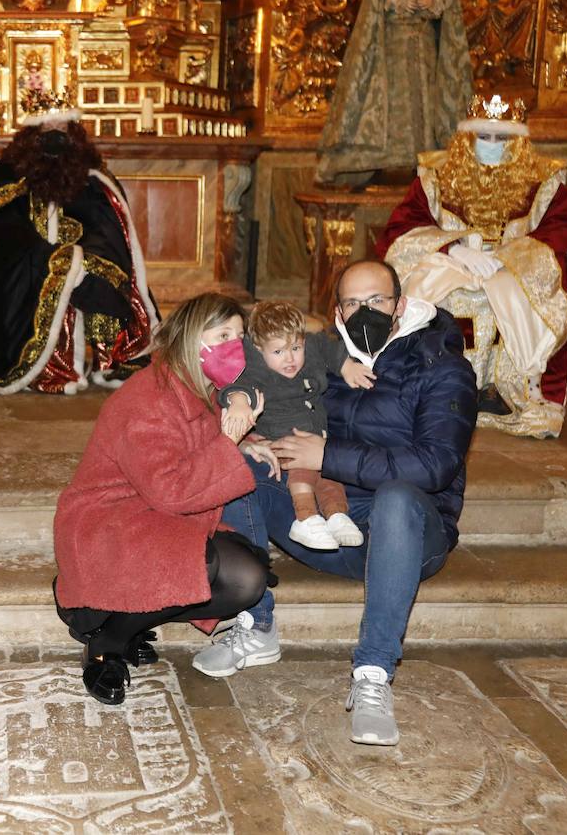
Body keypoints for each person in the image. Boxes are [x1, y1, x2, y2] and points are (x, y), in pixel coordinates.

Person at [211, 261, 476, 746]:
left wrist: (328, 454)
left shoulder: (443, 367)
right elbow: (251, 375)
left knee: (396, 496)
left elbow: (436, 465)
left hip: (406, 532)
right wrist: (248, 430)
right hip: (325, 526)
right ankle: (256, 621)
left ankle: (373, 674)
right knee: (233, 463)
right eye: (352, 303)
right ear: (337, 311)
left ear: (398, 304)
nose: (364, 312)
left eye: (376, 300)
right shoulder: (314, 358)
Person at [53, 293, 273, 705]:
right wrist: (228, 441)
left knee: (248, 576)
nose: (233, 345)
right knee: (209, 566)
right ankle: (105, 640)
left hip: (151, 514)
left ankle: (126, 621)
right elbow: (171, 490)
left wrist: (242, 444)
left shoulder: (196, 384)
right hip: (107, 523)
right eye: (222, 334)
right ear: (192, 338)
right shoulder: (147, 398)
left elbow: (195, 445)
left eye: (238, 336)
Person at [190, 300, 378, 679]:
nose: (291, 358)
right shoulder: (250, 363)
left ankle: (336, 517)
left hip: (335, 464)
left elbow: (326, 347)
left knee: (324, 481)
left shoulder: (313, 349)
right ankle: (258, 620)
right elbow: (238, 388)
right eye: (279, 351)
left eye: (295, 348)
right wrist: (241, 413)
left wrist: (348, 366)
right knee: (245, 471)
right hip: (282, 458)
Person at [378, 94, 567, 438]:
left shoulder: (545, 183)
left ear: (517, 143)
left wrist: (508, 258)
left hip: (514, 266)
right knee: (430, 290)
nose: (492, 146)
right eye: (484, 137)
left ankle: (502, 392)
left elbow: (560, 232)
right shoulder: (435, 177)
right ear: (467, 139)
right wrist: (453, 248)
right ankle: (432, 389)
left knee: (512, 296)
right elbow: (401, 228)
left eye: (502, 139)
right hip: (451, 260)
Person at [0, 90, 157, 394]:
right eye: (47, 129)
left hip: (81, 256)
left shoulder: (91, 175)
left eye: (62, 129)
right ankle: (42, 368)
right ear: (32, 134)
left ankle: (109, 361)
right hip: (25, 261)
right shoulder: (7, 173)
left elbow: (109, 228)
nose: (55, 136)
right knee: (51, 271)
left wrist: (83, 255)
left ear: (74, 133)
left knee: (97, 274)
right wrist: (43, 253)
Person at [316, 0, 473, 185]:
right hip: (395, 38)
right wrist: (397, 0)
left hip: (424, 38)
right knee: (398, 95)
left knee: (425, 93)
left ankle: (425, 160)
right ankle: (393, 157)